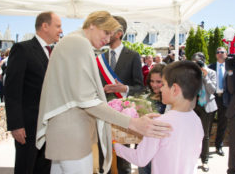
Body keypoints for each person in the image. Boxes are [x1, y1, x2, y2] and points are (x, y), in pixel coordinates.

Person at [35, 11, 171, 174]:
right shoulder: (79, 43)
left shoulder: (72, 41)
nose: (107, 39)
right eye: (106, 32)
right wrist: (133, 123)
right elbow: (87, 101)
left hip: (66, 133)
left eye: (111, 35)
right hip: (73, 135)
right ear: (92, 25)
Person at [113, 60, 204, 174]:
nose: (160, 89)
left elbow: (140, 159)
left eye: (164, 84)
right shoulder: (196, 120)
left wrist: (116, 146)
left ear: (175, 89)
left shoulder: (158, 123)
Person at [4, 11, 63, 174]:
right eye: (58, 26)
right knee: (26, 168)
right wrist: (16, 125)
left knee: (44, 168)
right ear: (45, 26)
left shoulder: (53, 53)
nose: (61, 30)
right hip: (28, 127)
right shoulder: (22, 49)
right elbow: (12, 90)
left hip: (48, 126)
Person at [98, 15, 144, 174]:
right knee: (104, 159)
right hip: (102, 116)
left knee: (123, 162)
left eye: (108, 29)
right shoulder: (100, 58)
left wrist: (124, 88)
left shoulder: (133, 56)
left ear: (118, 33)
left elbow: (141, 87)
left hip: (123, 117)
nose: (104, 32)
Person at [138, 63, 166, 174]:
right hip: (143, 147)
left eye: (158, 82)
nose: (154, 85)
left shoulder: (170, 101)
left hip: (160, 150)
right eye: (152, 81)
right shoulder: (146, 97)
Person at [192, 52, 217, 172]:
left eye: (199, 61)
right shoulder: (192, 73)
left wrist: (205, 76)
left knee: (205, 135)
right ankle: (192, 159)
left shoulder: (212, 72)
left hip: (207, 106)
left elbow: (212, 90)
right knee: (192, 135)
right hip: (193, 106)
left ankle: (205, 160)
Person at [208, 47, 229, 156]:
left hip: (224, 98)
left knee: (223, 123)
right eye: (218, 52)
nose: (220, 54)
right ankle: (205, 147)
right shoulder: (210, 67)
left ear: (226, 54)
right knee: (209, 122)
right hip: (212, 97)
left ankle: (219, 146)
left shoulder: (230, 67)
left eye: (222, 52)